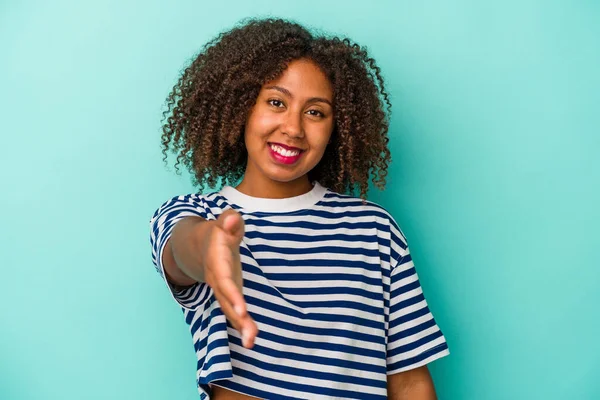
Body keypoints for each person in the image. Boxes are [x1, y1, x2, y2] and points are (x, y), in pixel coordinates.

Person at [149, 17, 450, 400]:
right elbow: (182, 247)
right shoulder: (197, 216)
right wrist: (210, 248)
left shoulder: (374, 231)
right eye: (276, 102)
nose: (293, 127)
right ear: (241, 107)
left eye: (315, 112)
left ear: (337, 128)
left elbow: (409, 381)